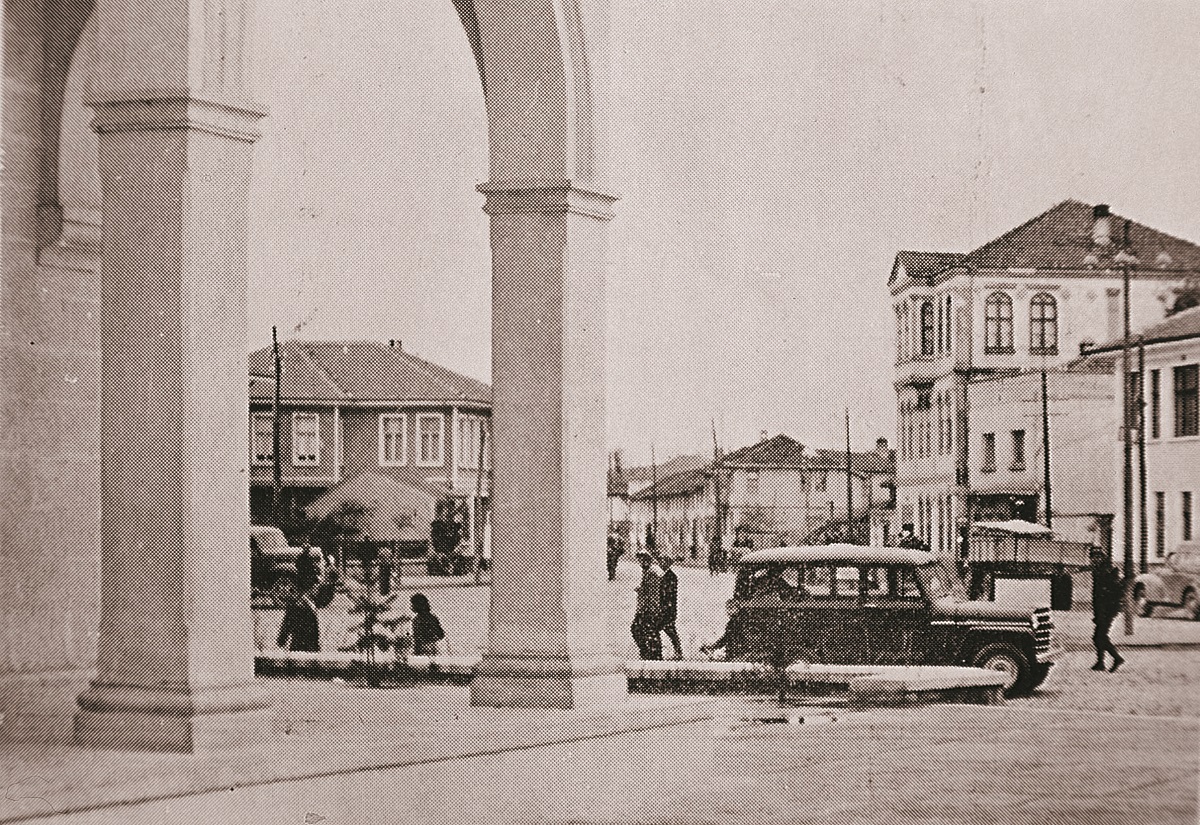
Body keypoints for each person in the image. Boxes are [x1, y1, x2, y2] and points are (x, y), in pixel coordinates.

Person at [1090, 549, 1126, 673]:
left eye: (1097, 557)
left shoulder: (1107, 572)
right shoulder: (1099, 571)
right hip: (1102, 610)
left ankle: (1117, 658)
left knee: (1100, 636)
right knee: (1098, 636)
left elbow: (1113, 593)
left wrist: (1105, 612)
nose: (1094, 560)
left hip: (1107, 610)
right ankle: (1101, 662)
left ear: (1102, 558)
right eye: (1093, 557)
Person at [631, 551, 663, 660]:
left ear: (648, 560)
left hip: (649, 608)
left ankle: (652, 654)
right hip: (647, 607)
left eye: (643, 560)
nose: (641, 562)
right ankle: (649, 653)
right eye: (640, 560)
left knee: (641, 629)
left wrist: (648, 609)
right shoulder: (648, 571)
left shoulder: (652, 572)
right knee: (643, 630)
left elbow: (653, 593)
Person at [659, 556, 683, 660]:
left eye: (664, 562)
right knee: (667, 629)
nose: (662, 564)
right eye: (660, 562)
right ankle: (676, 650)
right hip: (662, 607)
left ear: (668, 564)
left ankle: (678, 651)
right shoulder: (661, 575)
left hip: (669, 608)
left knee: (669, 629)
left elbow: (670, 593)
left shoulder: (671, 576)